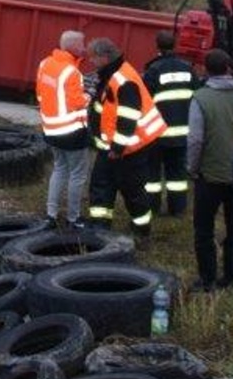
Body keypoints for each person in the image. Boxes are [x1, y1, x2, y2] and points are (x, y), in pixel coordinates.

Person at [186, 48, 233, 291]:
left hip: (209, 175)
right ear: (229, 68)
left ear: (205, 69)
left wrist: (192, 168)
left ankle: (207, 280)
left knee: (203, 229)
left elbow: (195, 139)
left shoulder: (200, 98)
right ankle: (231, 277)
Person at [86, 37, 166, 238]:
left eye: (93, 58)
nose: (91, 62)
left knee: (133, 192)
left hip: (130, 148)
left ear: (104, 57)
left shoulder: (123, 80)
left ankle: (141, 230)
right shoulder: (112, 74)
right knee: (100, 185)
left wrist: (117, 148)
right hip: (113, 147)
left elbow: (128, 117)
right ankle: (99, 226)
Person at [36, 29, 91, 230]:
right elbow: (77, 102)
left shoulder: (45, 64)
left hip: (50, 129)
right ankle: (73, 218)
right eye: (82, 44)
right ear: (73, 47)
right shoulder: (72, 72)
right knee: (78, 175)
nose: (85, 48)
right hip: (72, 133)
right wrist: (89, 97)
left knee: (59, 169)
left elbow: (40, 94)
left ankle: (51, 215)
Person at [143, 29, 199, 218]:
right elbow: (197, 98)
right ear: (174, 45)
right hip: (182, 133)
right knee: (177, 175)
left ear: (157, 46)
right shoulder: (188, 69)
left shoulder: (153, 70)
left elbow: (144, 101)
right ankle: (178, 209)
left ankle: (152, 208)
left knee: (152, 175)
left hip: (157, 134)